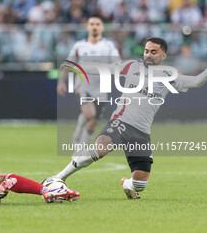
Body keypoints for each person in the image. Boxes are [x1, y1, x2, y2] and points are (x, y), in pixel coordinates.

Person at [55, 37, 207, 199]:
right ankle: (59, 177)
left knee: (140, 184)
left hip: (141, 132)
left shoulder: (169, 75)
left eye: (153, 52)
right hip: (121, 121)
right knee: (100, 148)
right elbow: (103, 68)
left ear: (163, 55)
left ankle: (127, 184)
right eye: (146, 51)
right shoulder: (132, 66)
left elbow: (197, 82)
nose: (148, 55)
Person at [57, 16, 120, 151]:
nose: (95, 26)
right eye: (91, 24)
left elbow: (117, 63)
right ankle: (79, 142)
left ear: (102, 27)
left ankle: (82, 147)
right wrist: (61, 82)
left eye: (97, 24)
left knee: (93, 122)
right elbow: (69, 64)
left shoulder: (109, 46)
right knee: (90, 114)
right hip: (83, 84)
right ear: (87, 27)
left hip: (102, 87)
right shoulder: (79, 46)